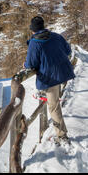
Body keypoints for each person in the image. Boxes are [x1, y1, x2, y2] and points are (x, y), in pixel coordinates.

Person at [24, 16, 75, 145]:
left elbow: (31, 64)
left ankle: (62, 136)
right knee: (54, 101)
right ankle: (44, 93)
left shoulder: (35, 43)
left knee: (53, 107)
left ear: (33, 30)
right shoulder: (56, 36)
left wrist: (25, 65)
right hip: (63, 72)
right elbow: (68, 50)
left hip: (50, 78)